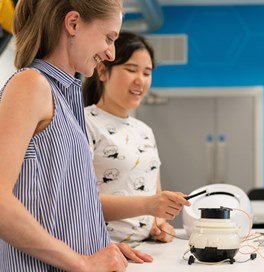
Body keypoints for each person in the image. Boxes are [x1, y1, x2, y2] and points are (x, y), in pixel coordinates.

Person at [0, 1, 189, 271]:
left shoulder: (66, 97)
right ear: (74, 23)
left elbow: (61, 207)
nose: (111, 53)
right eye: (109, 37)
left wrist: (98, 245)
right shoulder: (31, 84)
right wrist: (83, 262)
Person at [83, 32, 185, 244]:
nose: (140, 80)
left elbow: (153, 194)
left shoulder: (144, 131)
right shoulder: (84, 122)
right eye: (131, 70)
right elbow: (79, 202)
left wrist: (159, 224)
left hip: (147, 250)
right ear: (102, 71)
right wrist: (149, 205)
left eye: (147, 73)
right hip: (102, 249)